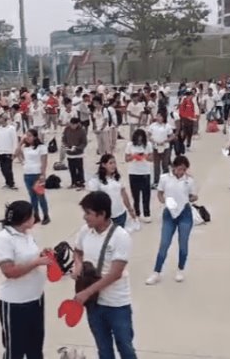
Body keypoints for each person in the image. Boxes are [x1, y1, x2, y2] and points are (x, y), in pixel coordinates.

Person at [72, 191, 136, 359]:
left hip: (116, 304)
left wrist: (87, 292)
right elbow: (77, 251)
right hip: (94, 305)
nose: (85, 217)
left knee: (125, 348)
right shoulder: (85, 231)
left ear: (102, 214)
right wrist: (78, 264)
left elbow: (115, 274)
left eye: (88, 213)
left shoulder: (120, 237)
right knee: (103, 349)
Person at [0, 201, 49, 359]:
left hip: (35, 298)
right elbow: (9, 271)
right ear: (24, 219)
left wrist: (41, 255)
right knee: (15, 349)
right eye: (32, 215)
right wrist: (36, 263)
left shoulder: (27, 234)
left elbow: (28, 258)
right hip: (15, 303)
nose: (35, 217)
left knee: (35, 347)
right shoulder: (5, 239)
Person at [146, 155, 197, 286]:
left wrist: (190, 199)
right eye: (179, 169)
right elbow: (159, 193)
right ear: (174, 167)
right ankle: (156, 271)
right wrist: (164, 202)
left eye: (184, 170)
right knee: (164, 243)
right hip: (169, 213)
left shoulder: (189, 181)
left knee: (183, 243)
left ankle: (180, 269)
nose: (181, 172)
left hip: (184, 214)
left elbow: (193, 196)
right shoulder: (164, 178)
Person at [87, 154, 137, 229]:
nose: (113, 165)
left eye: (114, 163)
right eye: (110, 163)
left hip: (120, 214)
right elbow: (93, 199)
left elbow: (124, 194)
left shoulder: (118, 177)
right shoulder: (96, 180)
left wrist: (130, 209)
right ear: (103, 165)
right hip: (106, 216)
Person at [15, 129, 51, 225]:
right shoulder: (25, 147)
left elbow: (44, 161)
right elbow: (16, 153)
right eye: (26, 135)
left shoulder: (41, 147)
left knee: (40, 196)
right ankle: (36, 215)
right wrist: (21, 142)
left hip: (37, 174)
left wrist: (43, 174)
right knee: (32, 197)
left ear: (35, 137)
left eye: (30, 135)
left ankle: (46, 215)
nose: (27, 137)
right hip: (27, 173)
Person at [125, 128, 153, 223]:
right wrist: (134, 156)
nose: (140, 141)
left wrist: (144, 156)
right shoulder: (129, 145)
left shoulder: (148, 145)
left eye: (141, 139)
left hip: (145, 172)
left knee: (146, 195)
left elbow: (151, 158)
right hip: (133, 172)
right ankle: (137, 213)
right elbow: (126, 158)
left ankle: (147, 213)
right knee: (135, 195)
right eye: (138, 139)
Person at [147, 112, 174, 188]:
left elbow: (172, 136)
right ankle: (156, 181)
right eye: (157, 116)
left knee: (165, 165)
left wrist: (166, 141)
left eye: (160, 116)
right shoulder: (153, 125)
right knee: (156, 165)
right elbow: (148, 134)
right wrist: (152, 140)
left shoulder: (167, 126)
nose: (158, 118)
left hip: (165, 147)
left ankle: (166, 182)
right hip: (156, 147)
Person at [62, 117, 88, 190]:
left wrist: (77, 148)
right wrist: (66, 146)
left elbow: (84, 142)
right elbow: (64, 139)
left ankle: (81, 183)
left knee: (79, 168)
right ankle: (73, 182)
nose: (72, 126)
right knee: (71, 168)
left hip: (78, 153)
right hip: (69, 152)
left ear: (77, 124)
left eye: (74, 125)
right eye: (71, 124)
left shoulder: (82, 131)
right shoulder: (67, 129)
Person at [0, 114, 18, 190]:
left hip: (9, 151)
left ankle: (12, 183)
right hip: (1, 151)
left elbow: (14, 140)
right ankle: (7, 182)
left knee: (8, 169)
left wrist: (14, 152)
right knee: (2, 169)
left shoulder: (11, 128)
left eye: (0, 118)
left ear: (5, 119)